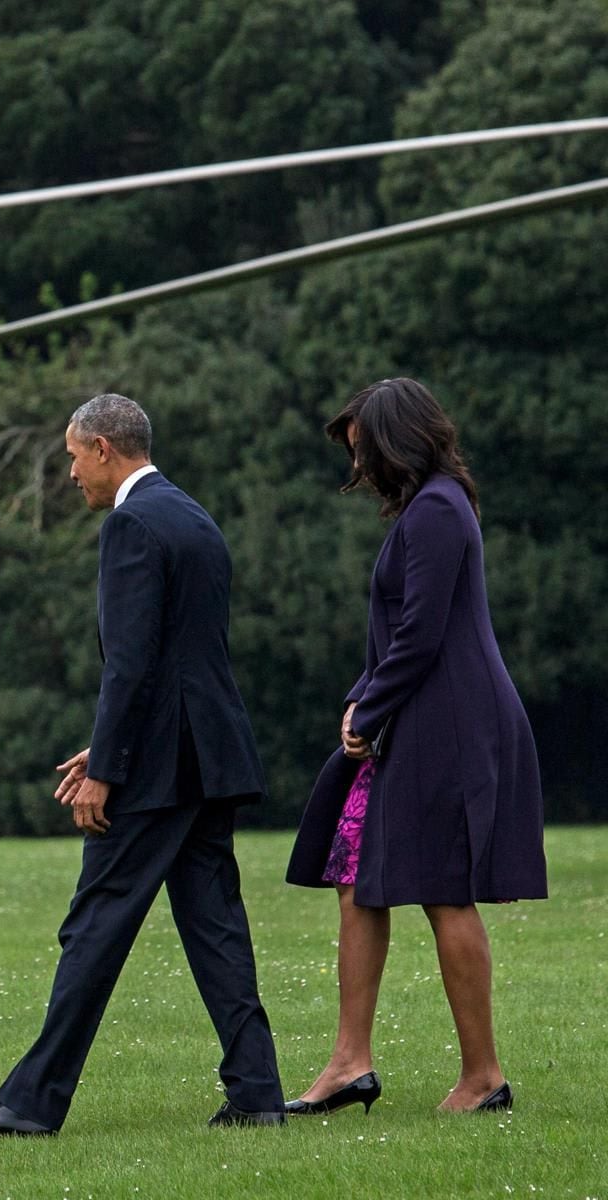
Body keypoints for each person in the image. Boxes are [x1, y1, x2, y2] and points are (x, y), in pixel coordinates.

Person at [0, 393, 285, 1137]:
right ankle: (257, 1094)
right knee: (216, 925)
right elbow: (178, 660)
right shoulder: (194, 516)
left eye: (72, 456)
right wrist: (107, 743)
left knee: (95, 923)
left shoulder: (130, 524)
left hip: (158, 770)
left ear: (103, 448)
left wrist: (108, 768)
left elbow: (129, 663)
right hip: (209, 757)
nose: (70, 474)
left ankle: (30, 1106)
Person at [285, 377, 547, 1115]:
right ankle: (349, 1063)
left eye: (362, 446)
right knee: (356, 874)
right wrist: (361, 696)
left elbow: (423, 632)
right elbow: (403, 632)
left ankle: (483, 1076)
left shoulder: (436, 509)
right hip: (419, 717)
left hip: (451, 724)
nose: (357, 463)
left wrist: (369, 708)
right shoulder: (429, 510)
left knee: (441, 889)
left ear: (396, 438)